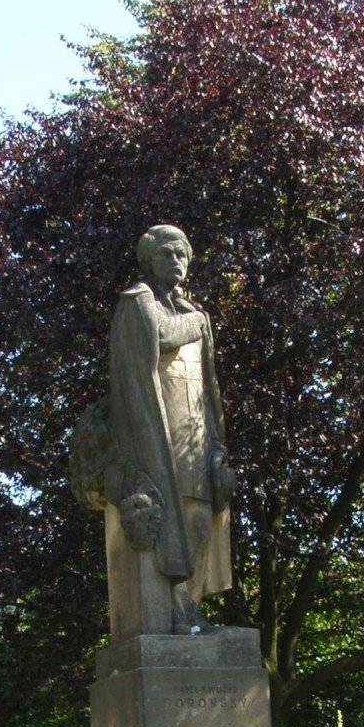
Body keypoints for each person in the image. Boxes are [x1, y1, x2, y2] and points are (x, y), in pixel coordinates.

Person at [75, 224, 235, 635]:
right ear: (149, 259)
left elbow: (210, 383)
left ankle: (190, 608)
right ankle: (175, 612)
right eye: (167, 254)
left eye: (182, 254)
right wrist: (195, 323)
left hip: (195, 433)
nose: (176, 261)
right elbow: (161, 336)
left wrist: (216, 440)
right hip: (157, 431)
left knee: (200, 521)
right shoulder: (139, 301)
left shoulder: (192, 309)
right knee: (172, 519)